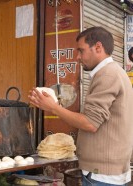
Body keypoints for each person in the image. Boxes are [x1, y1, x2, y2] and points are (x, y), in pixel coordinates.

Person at [28, 27, 133, 185]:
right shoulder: (113, 72)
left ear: (98, 47)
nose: (77, 57)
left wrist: (53, 108)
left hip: (101, 175)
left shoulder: (107, 74)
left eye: (81, 51)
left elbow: (90, 123)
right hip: (104, 172)